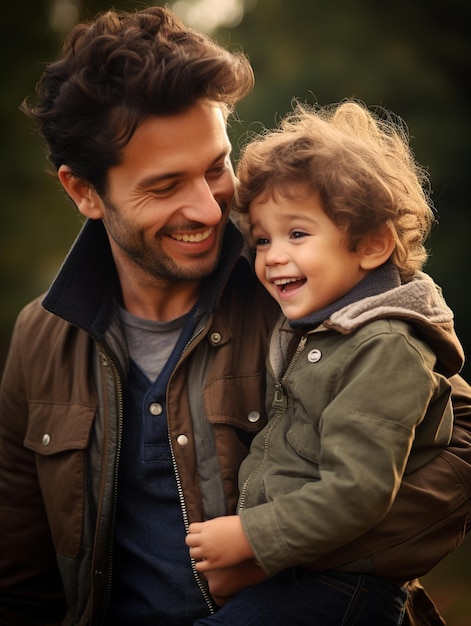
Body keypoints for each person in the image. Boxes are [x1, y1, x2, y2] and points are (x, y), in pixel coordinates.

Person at [0, 6, 469, 625]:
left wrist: (270, 554)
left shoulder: (321, 280)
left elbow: (458, 463)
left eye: (216, 167)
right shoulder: (41, 339)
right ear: (84, 191)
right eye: (165, 187)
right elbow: (21, 579)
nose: (208, 208)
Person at [185, 101, 469, 625]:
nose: (270, 257)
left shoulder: (385, 345)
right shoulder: (323, 331)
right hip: (303, 573)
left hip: (342, 588)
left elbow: (357, 490)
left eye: (297, 234)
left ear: (371, 245)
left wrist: (251, 538)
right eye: (263, 239)